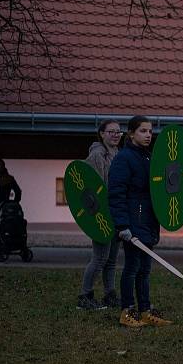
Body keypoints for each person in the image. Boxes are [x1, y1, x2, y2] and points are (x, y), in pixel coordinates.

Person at [108, 115, 171, 328]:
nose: (148, 135)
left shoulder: (149, 158)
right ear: (131, 133)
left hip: (148, 220)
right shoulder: (124, 158)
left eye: (150, 131)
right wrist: (122, 226)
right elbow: (116, 193)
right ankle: (127, 311)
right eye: (143, 131)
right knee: (132, 267)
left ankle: (144, 311)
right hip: (132, 222)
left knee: (145, 269)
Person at [77, 120, 123, 310]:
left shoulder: (119, 155)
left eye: (118, 132)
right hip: (102, 214)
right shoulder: (97, 155)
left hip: (117, 212)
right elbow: (92, 189)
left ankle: (109, 295)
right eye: (111, 131)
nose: (115, 135)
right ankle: (84, 296)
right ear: (102, 134)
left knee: (111, 259)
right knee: (99, 258)